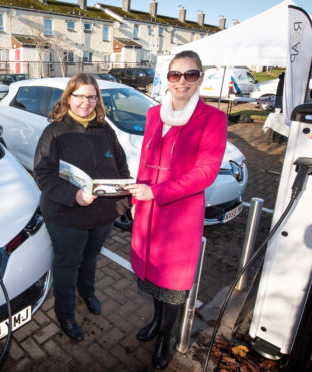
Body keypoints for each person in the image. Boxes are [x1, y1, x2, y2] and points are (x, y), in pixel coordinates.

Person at [125, 51, 227, 370]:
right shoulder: (155, 113)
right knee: (151, 277)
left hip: (179, 217)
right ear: (167, 78)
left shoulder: (213, 118)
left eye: (190, 74)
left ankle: (164, 338)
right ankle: (157, 322)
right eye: (175, 74)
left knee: (172, 285)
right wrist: (136, 201)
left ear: (200, 78)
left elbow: (205, 173)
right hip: (148, 211)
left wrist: (155, 192)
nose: (182, 81)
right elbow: (144, 159)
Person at [33, 73, 131, 341]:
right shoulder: (54, 132)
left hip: (102, 215)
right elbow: (43, 174)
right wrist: (73, 195)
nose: (86, 102)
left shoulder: (105, 130)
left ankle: (87, 293)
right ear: (68, 98)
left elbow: (121, 168)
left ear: (97, 100)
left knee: (90, 258)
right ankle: (65, 313)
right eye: (79, 96)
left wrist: (123, 202)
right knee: (67, 264)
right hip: (66, 215)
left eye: (91, 96)